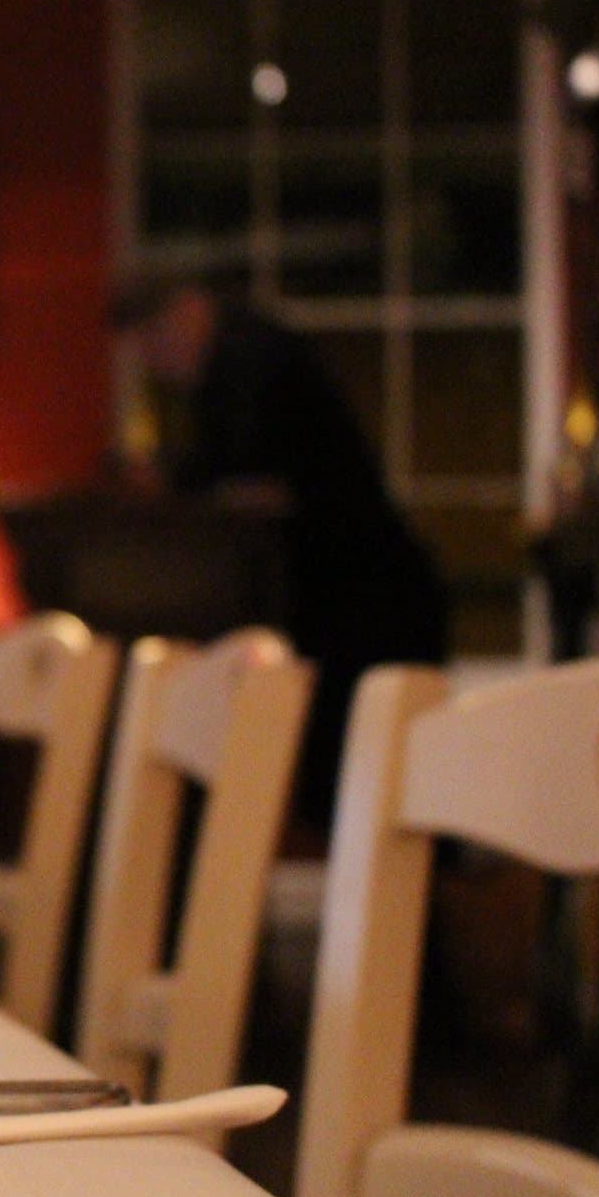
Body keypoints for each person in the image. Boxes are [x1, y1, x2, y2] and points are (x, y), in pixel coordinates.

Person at [113, 274, 449, 842]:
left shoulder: (249, 358)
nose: (156, 365)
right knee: (354, 781)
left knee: (378, 779)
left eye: (155, 345)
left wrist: (169, 477)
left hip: (365, 594)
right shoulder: (238, 359)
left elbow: (243, 471)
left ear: (188, 311)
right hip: (338, 593)